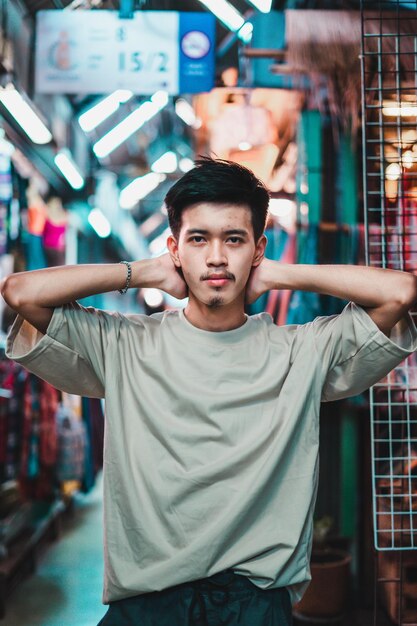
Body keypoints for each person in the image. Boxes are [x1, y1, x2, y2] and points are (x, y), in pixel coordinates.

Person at [2, 157, 417, 626]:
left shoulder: (301, 351)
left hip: (255, 606)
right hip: (146, 606)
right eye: (198, 239)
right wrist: (144, 272)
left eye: (234, 239)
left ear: (257, 249)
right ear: (175, 248)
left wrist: (281, 273)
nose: (217, 257)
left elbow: (400, 293)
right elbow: (20, 293)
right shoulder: (123, 343)